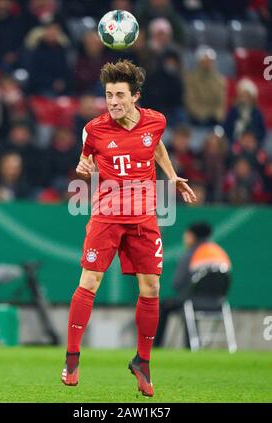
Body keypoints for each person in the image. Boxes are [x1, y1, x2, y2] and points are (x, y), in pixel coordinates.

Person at [60, 59, 196, 397]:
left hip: (144, 217)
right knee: (89, 279)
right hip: (106, 214)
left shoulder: (157, 121)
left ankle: (143, 361)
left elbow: (156, 144)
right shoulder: (94, 129)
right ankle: (72, 357)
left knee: (151, 288)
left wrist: (170, 173)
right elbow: (85, 162)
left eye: (120, 95)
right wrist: (82, 168)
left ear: (135, 96)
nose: (113, 102)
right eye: (108, 95)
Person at [154, 222, 231, 347]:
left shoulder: (190, 254)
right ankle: (191, 345)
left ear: (192, 236)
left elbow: (177, 284)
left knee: (166, 305)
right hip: (218, 302)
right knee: (187, 304)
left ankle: (156, 345)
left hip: (192, 301)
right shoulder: (219, 252)